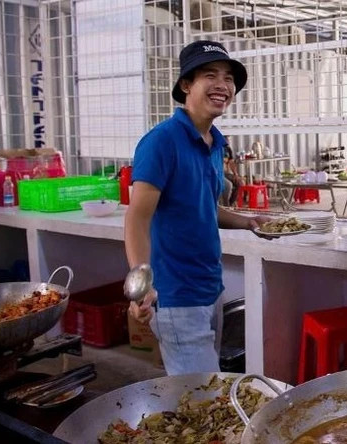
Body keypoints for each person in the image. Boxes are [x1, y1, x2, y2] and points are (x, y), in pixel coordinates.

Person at [124, 40, 272, 376]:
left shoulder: (215, 142)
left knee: (205, 392)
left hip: (210, 287)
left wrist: (249, 221)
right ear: (186, 84)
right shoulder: (162, 141)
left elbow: (205, 208)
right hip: (177, 295)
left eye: (229, 79)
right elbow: (137, 217)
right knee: (200, 402)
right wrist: (141, 287)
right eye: (210, 75)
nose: (223, 85)